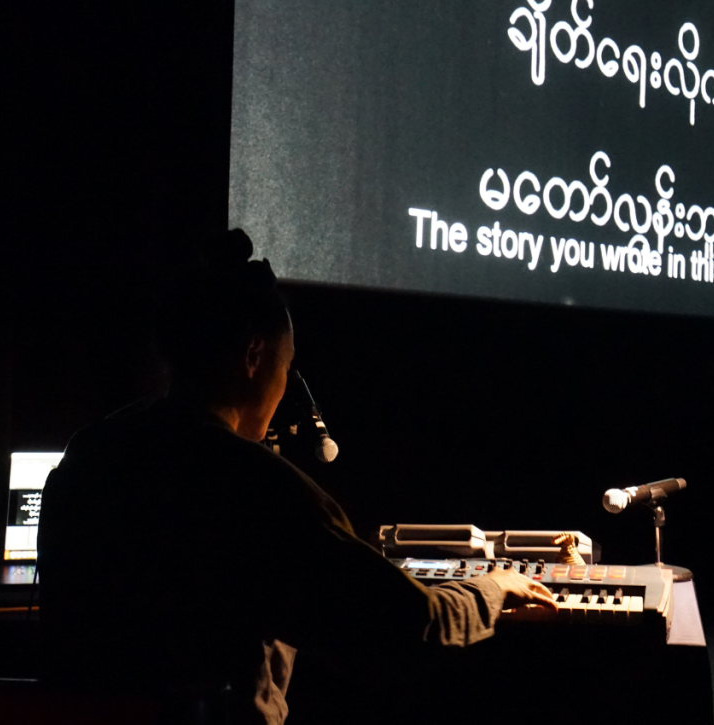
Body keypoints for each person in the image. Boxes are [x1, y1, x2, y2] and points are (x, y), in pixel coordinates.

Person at [37, 230, 556, 724]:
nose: (284, 385)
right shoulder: (254, 488)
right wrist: (496, 587)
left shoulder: (90, 453)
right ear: (254, 356)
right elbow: (405, 631)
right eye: (285, 366)